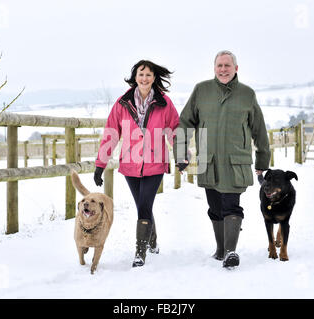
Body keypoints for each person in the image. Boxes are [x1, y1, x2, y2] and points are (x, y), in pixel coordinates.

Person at [174, 50, 270, 268]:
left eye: (228, 66)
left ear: (236, 68)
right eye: (220, 66)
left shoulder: (247, 94)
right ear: (214, 68)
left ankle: (230, 252)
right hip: (209, 160)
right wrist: (181, 154)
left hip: (236, 161)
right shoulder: (201, 90)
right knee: (215, 207)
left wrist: (262, 161)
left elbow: (259, 129)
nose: (223, 69)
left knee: (231, 205)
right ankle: (220, 249)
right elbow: (185, 122)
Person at [94, 60, 179, 267]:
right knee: (143, 205)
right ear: (135, 77)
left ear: (154, 78)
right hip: (130, 163)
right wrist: (100, 164)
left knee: (144, 205)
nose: (144, 78)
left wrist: (181, 155)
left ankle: (140, 253)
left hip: (155, 162)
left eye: (149, 75)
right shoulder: (122, 102)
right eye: (141, 74)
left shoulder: (164, 102)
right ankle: (153, 241)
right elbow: (111, 133)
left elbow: (175, 130)